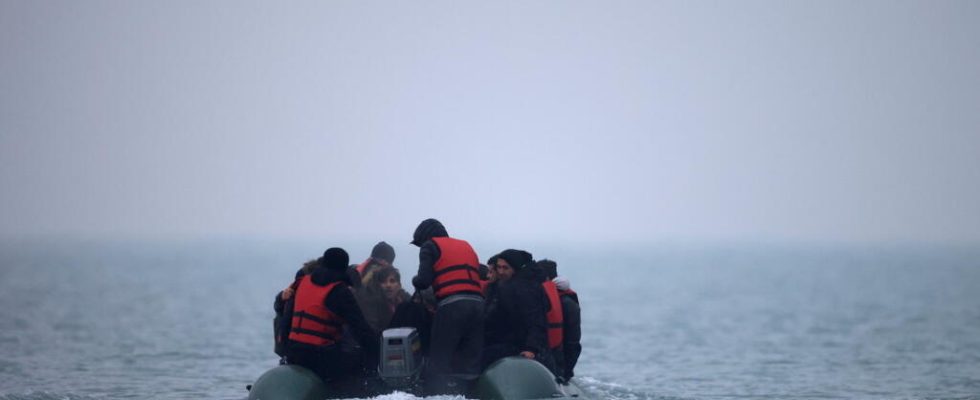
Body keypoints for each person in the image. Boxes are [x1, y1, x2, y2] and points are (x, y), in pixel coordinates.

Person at [282, 247, 380, 393]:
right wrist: (378, 352)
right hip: (321, 358)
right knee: (360, 356)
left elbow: (286, 320)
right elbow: (361, 330)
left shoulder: (302, 282)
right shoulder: (339, 291)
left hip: (294, 354)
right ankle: (367, 392)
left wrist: (286, 352)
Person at [409, 218, 484, 394]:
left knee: (439, 357)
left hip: (452, 305)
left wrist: (415, 281)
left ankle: (434, 394)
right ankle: (469, 394)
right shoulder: (466, 245)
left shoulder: (430, 246)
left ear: (425, 237)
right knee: (470, 359)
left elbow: (424, 280)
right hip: (478, 304)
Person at [482, 249, 553, 372]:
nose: (501, 272)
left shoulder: (526, 289)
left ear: (515, 268)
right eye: (499, 267)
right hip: (505, 341)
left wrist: (531, 349)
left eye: (506, 268)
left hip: (520, 346)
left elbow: (536, 321)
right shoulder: (503, 286)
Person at [538, 259, 581, 382]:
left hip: (557, 364)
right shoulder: (569, 302)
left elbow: (572, 342)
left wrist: (565, 372)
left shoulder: (566, 304)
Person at [355, 265, 411, 332]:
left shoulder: (407, 303)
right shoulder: (373, 304)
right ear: (379, 285)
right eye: (384, 282)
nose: (388, 285)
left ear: (399, 285)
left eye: (392, 281)